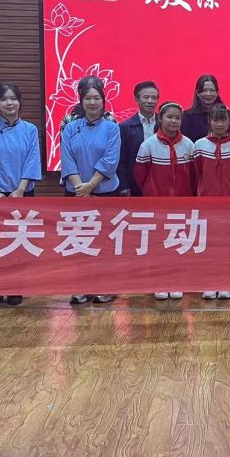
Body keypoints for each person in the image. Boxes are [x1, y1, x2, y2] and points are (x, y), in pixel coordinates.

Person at [0, 82, 42, 308]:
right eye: (4, 99)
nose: (9, 103)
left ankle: (15, 287)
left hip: (22, 193)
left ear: (20, 102)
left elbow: (32, 160)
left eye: (13, 98)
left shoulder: (30, 130)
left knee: (19, 242)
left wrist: (20, 189)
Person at [60, 75, 120, 306]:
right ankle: (81, 286)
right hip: (76, 193)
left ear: (103, 100)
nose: (92, 102)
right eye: (88, 98)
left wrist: (91, 185)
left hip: (105, 191)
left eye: (96, 98)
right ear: (81, 101)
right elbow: (67, 159)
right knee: (79, 240)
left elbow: (110, 159)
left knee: (105, 241)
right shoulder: (70, 127)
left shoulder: (112, 127)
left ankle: (106, 286)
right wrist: (80, 188)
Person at [135, 101, 194, 302]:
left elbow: (194, 175)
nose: (173, 121)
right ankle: (159, 282)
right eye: (169, 117)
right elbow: (140, 175)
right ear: (160, 118)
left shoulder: (188, 145)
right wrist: (152, 193)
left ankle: (177, 281)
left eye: (177, 118)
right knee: (158, 244)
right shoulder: (148, 145)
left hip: (182, 205)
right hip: (157, 206)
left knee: (179, 243)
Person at [193, 103, 230, 302]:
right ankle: (208, 282)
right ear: (209, 122)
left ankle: (226, 282)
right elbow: (196, 173)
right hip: (206, 204)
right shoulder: (199, 145)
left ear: (229, 122)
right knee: (208, 244)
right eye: (215, 120)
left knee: (228, 245)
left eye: (223, 120)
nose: (219, 124)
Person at [118, 80, 159, 196]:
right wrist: (123, 185)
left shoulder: (164, 124)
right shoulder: (125, 127)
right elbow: (121, 160)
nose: (150, 101)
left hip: (160, 183)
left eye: (154, 98)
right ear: (136, 99)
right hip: (134, 184)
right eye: (146, 97)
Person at [181, 74, 230, 142]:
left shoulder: (226, 113)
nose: (208, 94)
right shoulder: (187, 115)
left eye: (212, 90)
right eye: (204, 90)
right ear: (197, 92)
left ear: (217, 92)